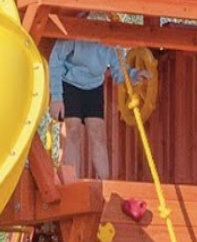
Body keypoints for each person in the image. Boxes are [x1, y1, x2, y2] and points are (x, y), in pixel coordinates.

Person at [47, 25, 133, 182]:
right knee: (72, 129)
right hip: (70, 83)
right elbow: (55, 61)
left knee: (97, 132)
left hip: (94, 86)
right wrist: (57, 97)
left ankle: (105, 182)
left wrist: (133, 75)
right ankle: (71, 181)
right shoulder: (75, 32)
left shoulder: (110, 40)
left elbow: (119, 70)